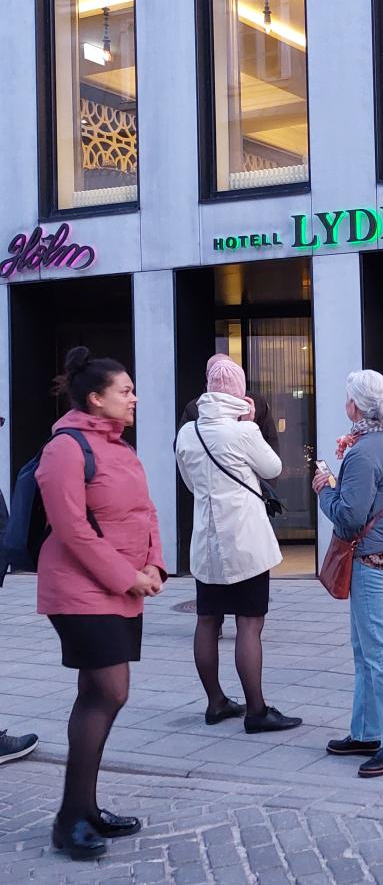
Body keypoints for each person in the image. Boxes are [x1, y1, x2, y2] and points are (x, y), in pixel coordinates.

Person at [36, 347, 166, 861]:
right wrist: (126, 576)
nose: (133, 398)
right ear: (96, 399)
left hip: (123, 587)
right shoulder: (65, 449)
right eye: (125, 391)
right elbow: (71, 529)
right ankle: (70, 818)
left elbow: (147, 509)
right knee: (109, 693)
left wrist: (154, 564)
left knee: (95, 693)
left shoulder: (121, 448)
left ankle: (85, 809)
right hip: (81, 589)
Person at [175, 357, 301, 736]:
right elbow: (273, 468)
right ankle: (257, 711)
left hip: (206, 540)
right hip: (245, 540)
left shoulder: (188, 432)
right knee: (249, 623)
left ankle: (215, 702)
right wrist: (249, 428)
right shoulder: (242, 431)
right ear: (239, 391)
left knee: (207, 619)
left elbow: (190, 482)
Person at [313, 370, 383, 778]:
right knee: (365, 648)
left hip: (367, 557)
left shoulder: (364, 450)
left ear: (354, 404)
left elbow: (350, 518)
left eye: (346, 397)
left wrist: (324, 490)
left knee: (377, 651)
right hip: (381, 553)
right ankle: (367, 732)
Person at [180, 353, 279, 456]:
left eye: (227, 371)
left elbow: (271, 442)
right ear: (207, 375)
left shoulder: (257, 402)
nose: (223, 376)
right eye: (217, 372)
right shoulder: (194, 407)